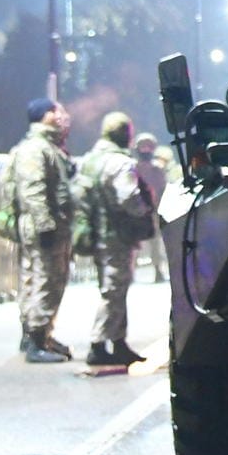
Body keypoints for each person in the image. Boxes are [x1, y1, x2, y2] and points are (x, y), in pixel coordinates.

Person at [75, 113, 155, 366]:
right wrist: (145, 211)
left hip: (96, 233)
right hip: (117, 235)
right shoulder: (120, 163)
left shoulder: (89, 161)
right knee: (114, 290)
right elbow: (128, 198)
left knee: (112, 287)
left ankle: (119, 341)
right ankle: (98, 344)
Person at [4, 98, 76, 364]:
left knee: (36, 280)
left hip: (44, 223)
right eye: (58, 111)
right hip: (44, 225)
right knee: (47, 281)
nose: (63, 116)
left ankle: (38, 334)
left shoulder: (47, 147)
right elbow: (33, 190)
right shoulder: (36, 149)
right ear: (47, 115)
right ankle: (36, 340)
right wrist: (45, 226)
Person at [131, 133, 169, 283]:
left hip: (153, 210)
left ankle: (158, 269)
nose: (145, 150)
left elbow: (163, 189)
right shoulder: (132, 167)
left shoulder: (157, 169)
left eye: (148, 147)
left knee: (154, 243)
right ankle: (131, 271)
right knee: (134, 243)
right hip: (136, 209)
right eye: (143, 146)